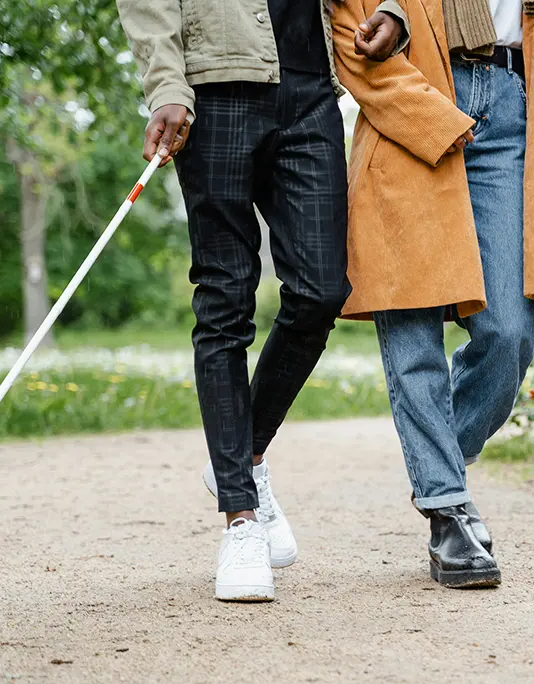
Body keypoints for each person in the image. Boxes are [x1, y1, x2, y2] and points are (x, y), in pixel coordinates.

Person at [116, 0, 409, 602]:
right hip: (214, 90)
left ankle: (241, 455)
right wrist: (166, 84)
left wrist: (393, 9)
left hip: (311, 91)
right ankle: (241, 521)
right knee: (225, 299)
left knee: (321, 291)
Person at [332, 0, 534, 587]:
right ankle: (447, 509)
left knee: (509, 331)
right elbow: (352, 44)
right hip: (410, 104)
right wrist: (437, 119)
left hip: (514, 111)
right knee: (412, 329)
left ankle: (438, 465)